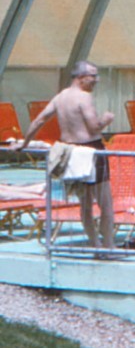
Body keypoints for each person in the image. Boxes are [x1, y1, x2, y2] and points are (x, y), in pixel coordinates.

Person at [12, 61, 116, 250]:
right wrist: (107, 120)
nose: (96, 80)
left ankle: (96, 245)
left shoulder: (60, 97)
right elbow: (94, 127)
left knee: (85, 205)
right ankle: (108, 247)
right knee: (105, 204)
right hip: (91, 151)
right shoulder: (84, 98)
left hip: (71, 152)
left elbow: (38, 120)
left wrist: (24, 144)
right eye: (93, 76)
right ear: (80, 77)